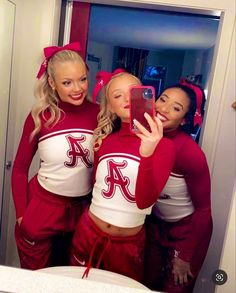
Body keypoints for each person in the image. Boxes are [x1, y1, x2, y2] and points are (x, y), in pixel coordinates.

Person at [69, 70, 176, 283]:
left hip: (128, 246)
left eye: (132, 92)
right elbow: (95, 187)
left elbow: (145, 201)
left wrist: (146, 154)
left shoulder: (164, 146)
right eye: (117, 96)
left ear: (146, 96)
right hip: (88, 234)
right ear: (111, 107)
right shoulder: (106, 142)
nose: (126, 99)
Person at [11, 42, 99, 270]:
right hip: (44, 205)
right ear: (52, 83)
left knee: (74, 279)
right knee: (38, 280)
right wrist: (22, 214)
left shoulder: (99, 113)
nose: (77, 88)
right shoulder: (40, 116)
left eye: (82, 79)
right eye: (67, 82)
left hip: (83, 210)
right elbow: (20, 169)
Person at [143, 78, 213, 293]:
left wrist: (185, 255)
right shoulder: (142, 135)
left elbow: (204, 210)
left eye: (176, 108)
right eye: (162, 99)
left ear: (183, 120)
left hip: (188, 230)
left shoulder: (189, 152)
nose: (163, 108)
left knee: (176, 286)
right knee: (147, 283)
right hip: (156, 224)